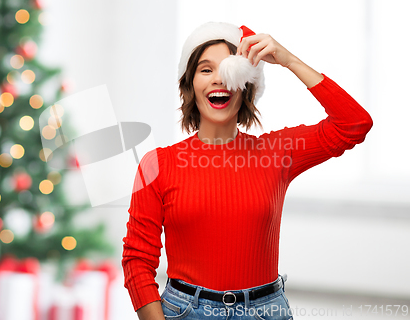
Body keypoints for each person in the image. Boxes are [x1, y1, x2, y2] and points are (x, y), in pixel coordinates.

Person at [122, 22, 373, 320]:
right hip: (186, 311)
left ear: (246, 86)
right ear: (189, 85)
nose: (219, 79)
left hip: (266, 311)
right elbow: (137, 260)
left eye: (230, 69)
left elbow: (354, 124)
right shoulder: (158, 164)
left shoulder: (277, 152)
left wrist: (289, 60)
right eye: (206, 69)